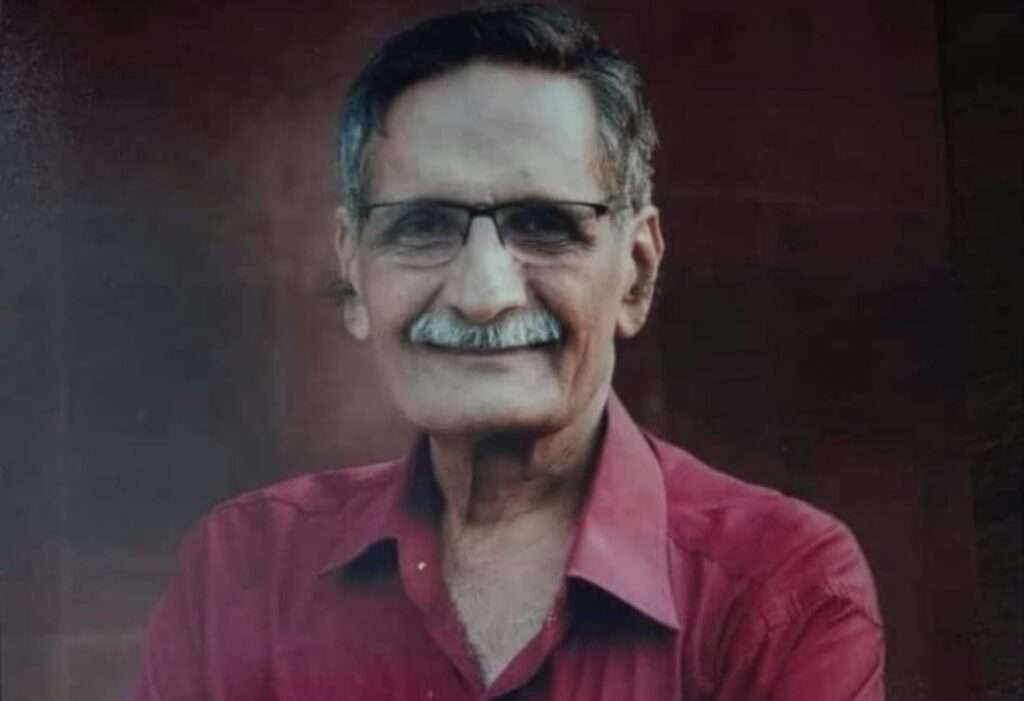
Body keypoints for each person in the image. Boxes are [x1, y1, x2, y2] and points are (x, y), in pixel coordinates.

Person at [129, 5, 884, 700]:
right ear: (354, 274)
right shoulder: (238, 573)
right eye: (423, 225)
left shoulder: (782, 590)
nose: (483, 295)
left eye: (545, 224)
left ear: (636, 273)